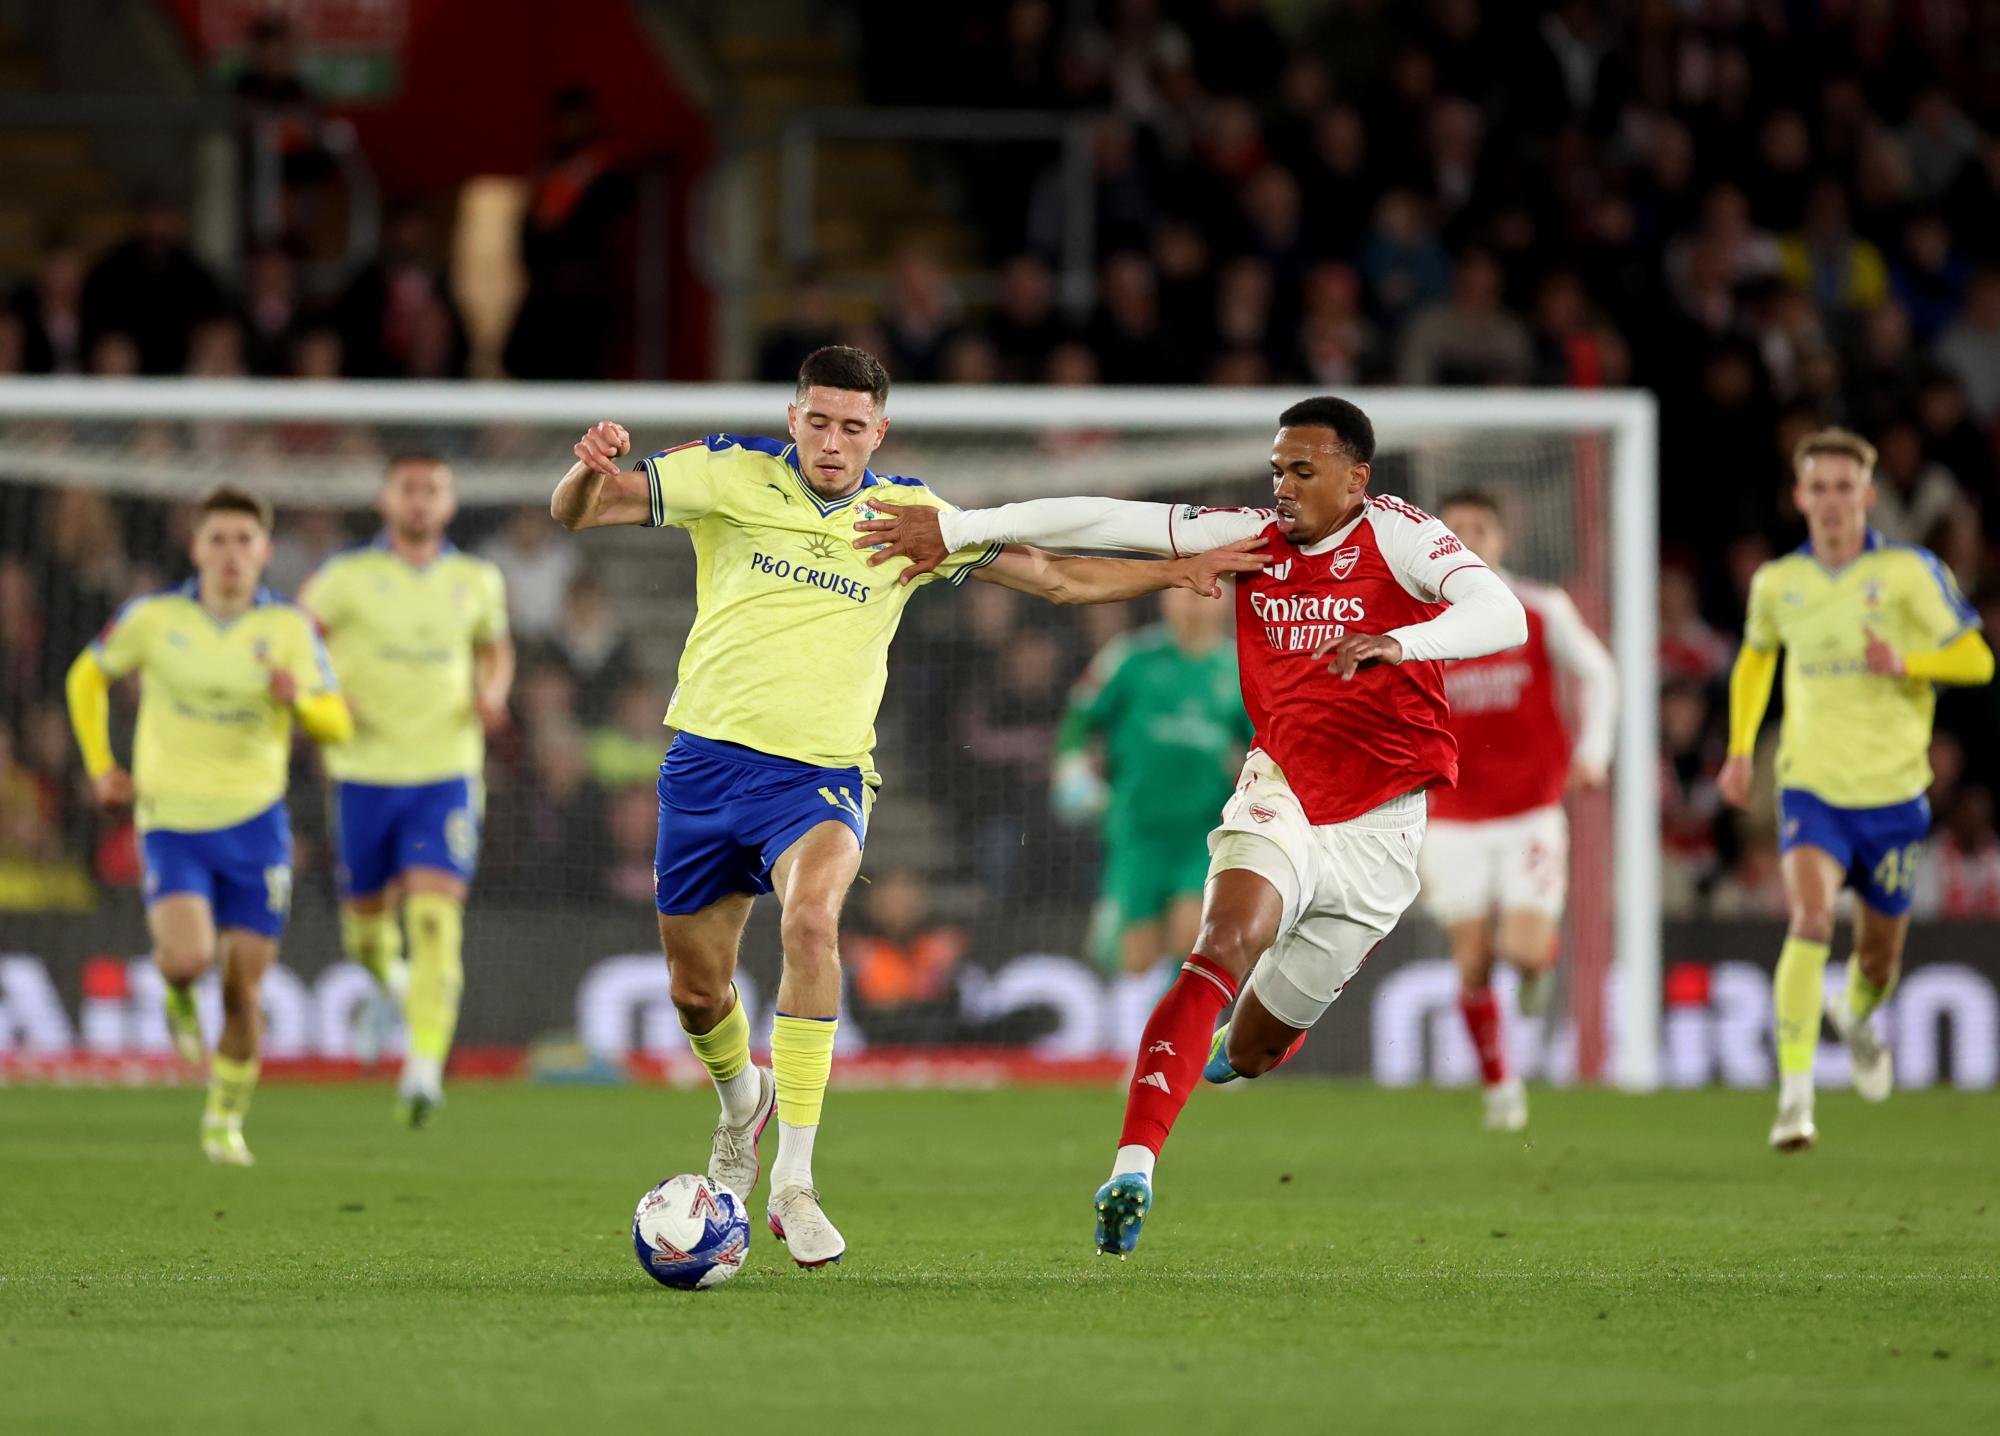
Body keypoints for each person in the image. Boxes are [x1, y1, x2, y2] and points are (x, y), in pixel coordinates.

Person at [549, 344, 1263, 1268]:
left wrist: (1174, 571)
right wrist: (585, 469)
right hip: (703, 766)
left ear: (879, 432)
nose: (834, 441)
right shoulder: (729, 473)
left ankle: (795, 1183)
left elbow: (1049, 575)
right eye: (818, 421)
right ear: (794, 416)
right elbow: (580, 512)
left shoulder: (913, 517)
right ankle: (742, 1104)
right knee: (696, 993)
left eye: (854, 426)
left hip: (819, 775)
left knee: (811, 925)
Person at [853, 395, 1528, 1256]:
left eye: (1303, 471)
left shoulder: (1399, 534)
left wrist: (1401, 644)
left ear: (1356, 479)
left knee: (1252, 1051)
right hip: (1280, 791)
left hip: (1383, 832)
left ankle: (1222, 1055)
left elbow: (1499, 613)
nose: (1281, 487)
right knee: (1221, 942)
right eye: (1276, 469)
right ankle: (1132, 1166)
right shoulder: (1249, 539)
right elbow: (1102, 518)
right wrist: (958, 526)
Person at [1720, 428, 1994, 1153]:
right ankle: (1795, 1099)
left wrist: (1908, 660)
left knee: (1877, 961)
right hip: (1811, 787)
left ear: (1868, 496)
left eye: (1847, 487)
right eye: (1820, 487)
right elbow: (1755, 663)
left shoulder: (1911, 571)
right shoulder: (1779, 583)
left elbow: (1977, 657)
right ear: (1800, 496)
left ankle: (1859, 1016)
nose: (1833, 501)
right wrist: (1742, 750)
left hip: (1897, 795)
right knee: (1809, 919)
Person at [64, 488, 350, 1164]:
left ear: (265, 552)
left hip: (256, 827)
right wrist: (103, 766)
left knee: (244, 988)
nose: (230, 553)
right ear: (196, 548)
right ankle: (176, 991)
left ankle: (224, 1116)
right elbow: (85, 678)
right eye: (217, 539)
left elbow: (337, 722)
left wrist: (301, 701)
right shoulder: (153, 618)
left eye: (243, 540)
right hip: (171, 821)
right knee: (191, 959)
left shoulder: (289, 630)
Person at [299, 457, 513, 1125]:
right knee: (365, 932)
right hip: (362, 772)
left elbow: (495, 648)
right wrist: (323, 692)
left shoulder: (475, 579)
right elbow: (291, 636)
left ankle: (423, 1067)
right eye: (408, 490)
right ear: (387, 498)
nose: (420, 502)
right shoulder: (344, 579)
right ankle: (391, 986)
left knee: (432, 916)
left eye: (433, 491)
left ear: (449, 503)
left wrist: (492, 692)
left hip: (444, 772)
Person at [1422, 491, 1617, 1132]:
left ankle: (1537, 971)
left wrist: (1593, 751)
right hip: (1451, 816)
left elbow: (1599, 672)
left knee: (1524, 951)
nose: (1472, 537)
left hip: (1531, 811)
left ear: (1503, 540)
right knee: (1473, 961)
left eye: (1482, 527)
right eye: (1459, 529)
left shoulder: (1539, 607)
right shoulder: (1419, 620)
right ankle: (1500, 1086)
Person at [1053, 586, 1250, 1009]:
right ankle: (1114, 925)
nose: (1196, 601)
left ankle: (1173, 1043)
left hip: (1202, 829)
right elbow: (1080, 717)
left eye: (1211, 593)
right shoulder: (1129, 658)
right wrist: (1072, 771)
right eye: (1185, 591)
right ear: (1165, 599)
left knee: (1189, 936)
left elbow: (1261, 743)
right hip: (1136, 827)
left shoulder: (1238, 670)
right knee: (1135, 959)